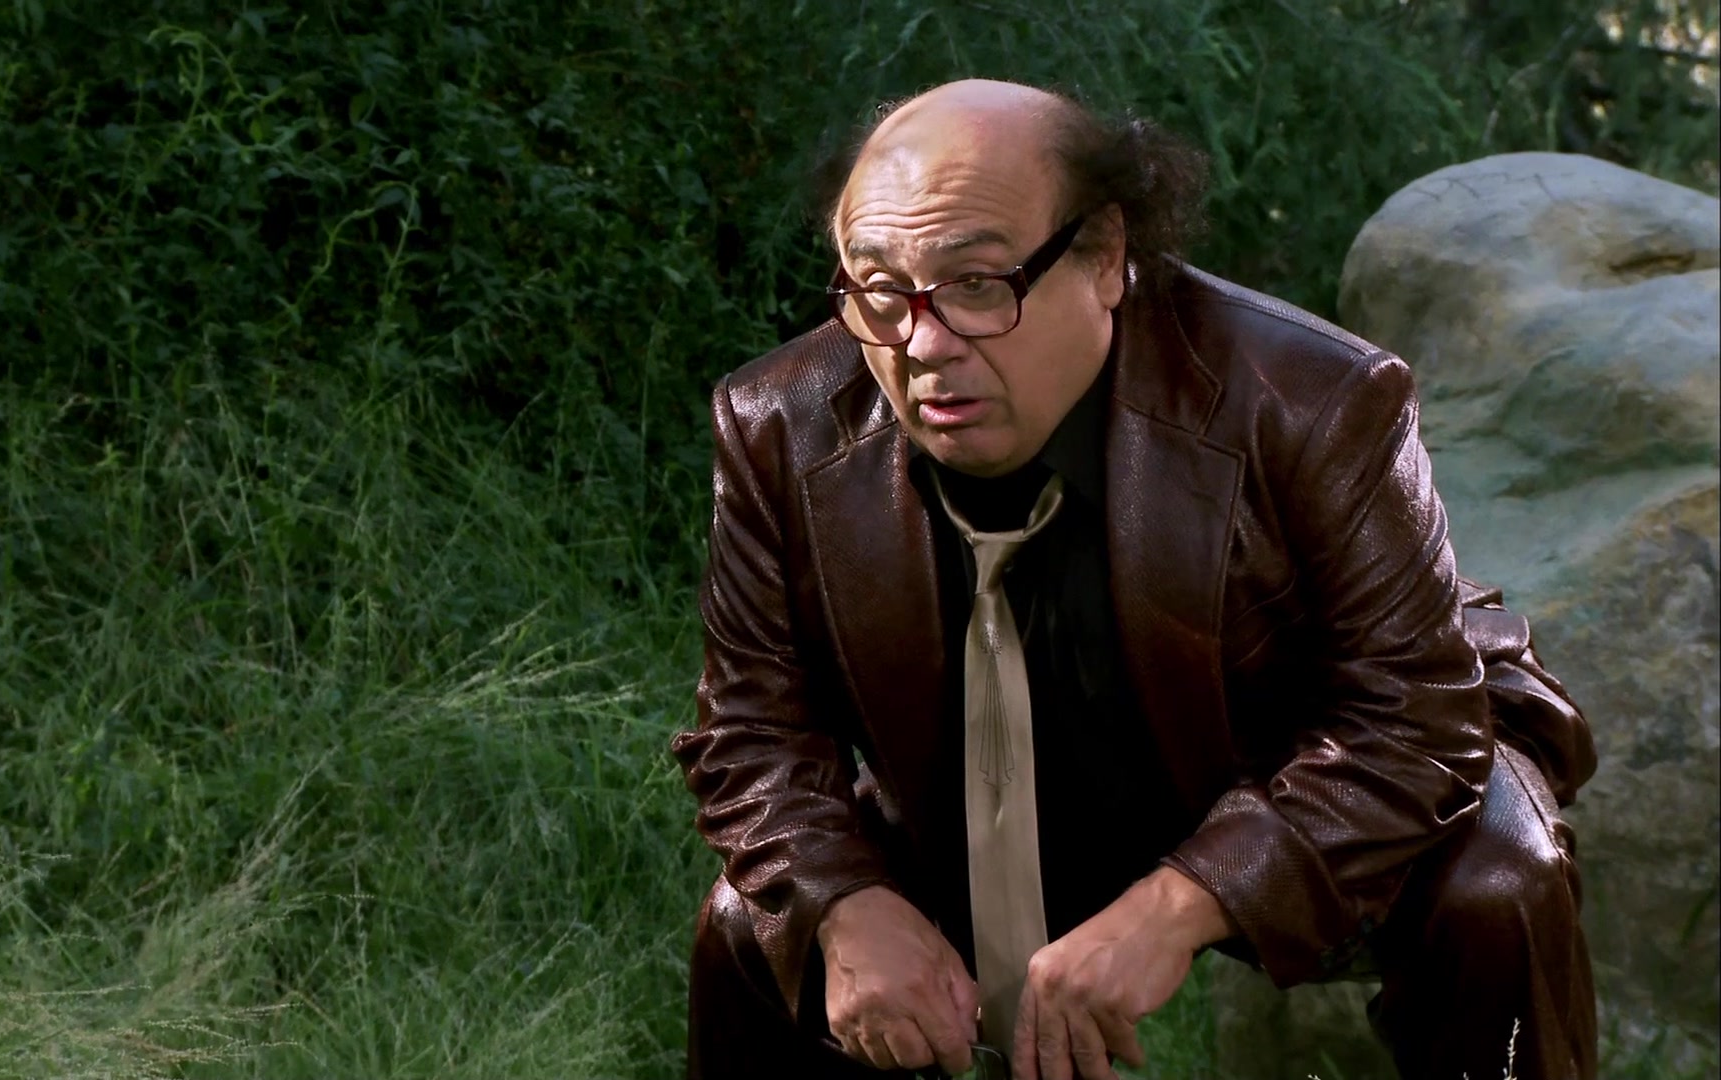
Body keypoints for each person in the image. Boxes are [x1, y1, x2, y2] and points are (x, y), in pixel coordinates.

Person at [670, 79, 1599, 1080]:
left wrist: (1179, 905)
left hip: (1294, 763)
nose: (923, 345)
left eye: (978, 284)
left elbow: (1413, 718)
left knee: (1498, 884)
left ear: (1106, 255)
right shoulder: (779, 424)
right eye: (880, 288)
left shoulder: (1316, 398)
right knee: (754, 923)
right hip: (988, 781)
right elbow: (752, 727)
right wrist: (846, 905)